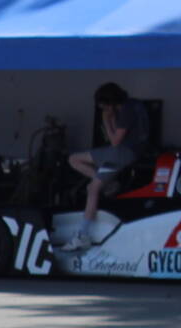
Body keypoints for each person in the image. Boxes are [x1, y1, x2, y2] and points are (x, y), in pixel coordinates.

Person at [62, 82, 150, 247]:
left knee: (74, 160)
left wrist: (106, 121)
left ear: (110, 103)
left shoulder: (126, 111)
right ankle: (84, 231)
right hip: (132, 153)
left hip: (122, 153)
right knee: (92, 188)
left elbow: (115, 141)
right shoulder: (135, 104)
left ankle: (83, 235)